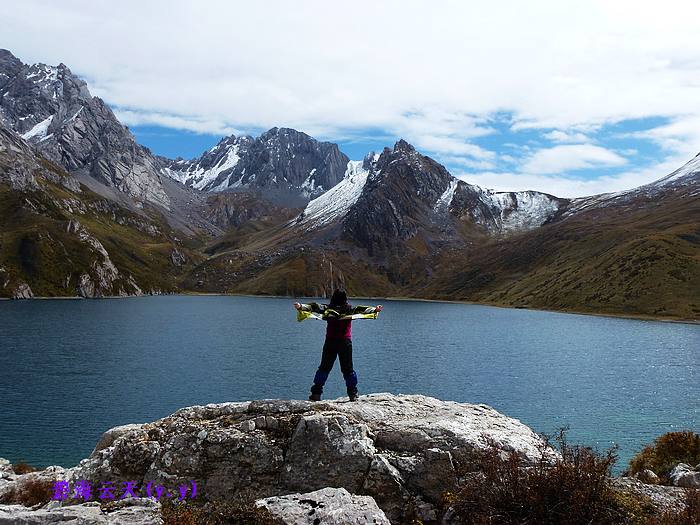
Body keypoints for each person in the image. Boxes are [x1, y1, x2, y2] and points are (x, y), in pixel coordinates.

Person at [294, 289, 383, 402]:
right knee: (348, 369)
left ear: (333, 297)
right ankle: (352, 393)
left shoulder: (328, 309)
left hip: (330, 342)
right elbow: (363, 310)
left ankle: (316, 393)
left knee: (324, 368)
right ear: (345, 298)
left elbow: (314, 307)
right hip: (345, 342)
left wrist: (301, 306)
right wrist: (375, 309)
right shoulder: (349, 309)